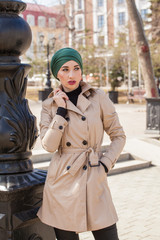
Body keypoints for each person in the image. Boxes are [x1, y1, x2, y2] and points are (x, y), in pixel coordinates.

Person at [37, 47, 126, 240]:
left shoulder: (99, 97)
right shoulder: (49, 106)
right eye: (65, 69)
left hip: (94, 177)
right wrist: (61, 112)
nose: (72, 74)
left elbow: (118, 135)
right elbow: (49, 146)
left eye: (76, 68)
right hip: (62, 183)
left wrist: (105, 164)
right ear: (56, 73)